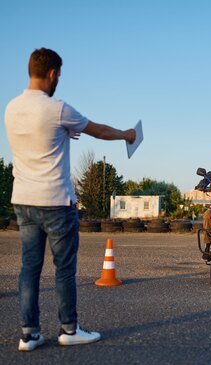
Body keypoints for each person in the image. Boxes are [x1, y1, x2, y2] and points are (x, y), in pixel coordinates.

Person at [4, 48, 136, 352]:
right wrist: (126, 134)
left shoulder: (11, 108)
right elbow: (98, 130)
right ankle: (68, 329)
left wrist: (63, 133)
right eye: (58, 75)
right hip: (55, 200)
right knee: (64, 268)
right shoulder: (57, 108)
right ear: (52, 74)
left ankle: (29, 334)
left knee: (29, 268)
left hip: (23, 200)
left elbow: (39, 137)